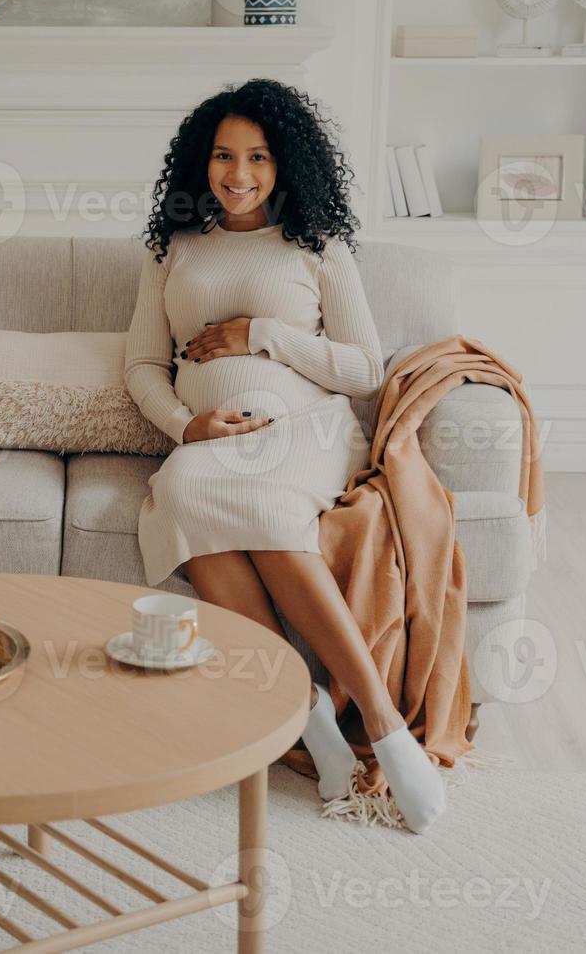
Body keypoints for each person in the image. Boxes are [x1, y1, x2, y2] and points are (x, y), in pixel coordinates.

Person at [123, 78, 445, 833]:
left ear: (286, 163)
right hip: (213, 444)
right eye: (224, 156)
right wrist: (184, 426)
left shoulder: (318, 249)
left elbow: (365, 368)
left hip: (306, 428)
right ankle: (313, 724)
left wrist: (259, 334)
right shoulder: (171, 248)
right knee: (187, 491)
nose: (239, 174)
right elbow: (141, 365)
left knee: (266, 506)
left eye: (259, 157)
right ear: (201, 163)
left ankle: (386, 730)